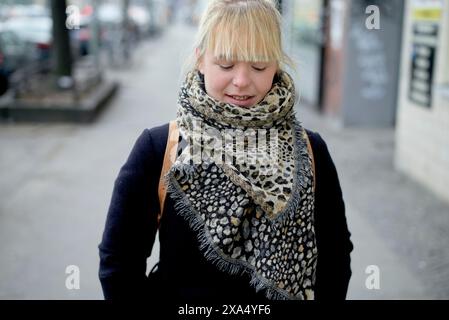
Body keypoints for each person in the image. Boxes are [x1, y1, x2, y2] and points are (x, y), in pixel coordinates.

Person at [98, 0, 353, 301]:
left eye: (259, 65)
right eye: (226, 64)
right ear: (200, 60)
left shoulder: (310, 151)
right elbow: (119, 262)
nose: (242, 81)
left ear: (276, 65)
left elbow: (335, 257)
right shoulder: (159, 149)